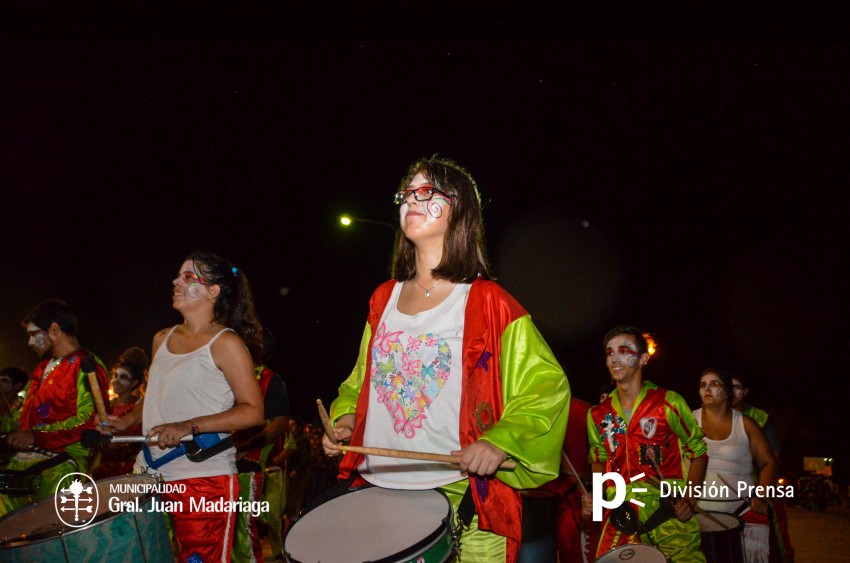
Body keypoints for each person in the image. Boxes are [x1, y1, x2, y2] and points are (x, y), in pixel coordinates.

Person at [322, 156, 571, 562]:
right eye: (406, 193)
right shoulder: (382, 298)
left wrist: (499, 440)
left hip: (463, 497)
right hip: (379, 490)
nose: (410, 201)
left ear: (460, 210)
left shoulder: (490, 303)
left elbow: (546, 388)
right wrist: (347, 418)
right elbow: (361, 381)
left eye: (426, 192)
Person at [107, 251, 264, 563]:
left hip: (203, 477)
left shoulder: (226, 343)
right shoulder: (161, 338)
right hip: (148, 470)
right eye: (179, 275)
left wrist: (189, 427)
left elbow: (253, 411)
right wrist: (125, 422)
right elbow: (156, 396)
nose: (176, 281)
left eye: (188, 277)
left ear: (213, 291)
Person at [585, 326, 707, 562]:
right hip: (621, 512)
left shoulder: (668, 403)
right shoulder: (598, 414)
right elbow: (600, 461)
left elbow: (699, 452)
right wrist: (596, 499)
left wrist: (689, 500)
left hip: (667, 512)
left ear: (642, 359)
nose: (615, 359)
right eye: (610, 353)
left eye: (623, 350)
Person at [0, 300, 109, 516]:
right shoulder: (42, 368)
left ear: (54, 329)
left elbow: (90, 421)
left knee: (47, 539)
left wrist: (36, 437)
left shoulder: (86, 364)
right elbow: (25, 420)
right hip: (24, 470)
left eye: (34, 334)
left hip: (62, 470)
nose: (30, 342)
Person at [694, 368, 776, 562]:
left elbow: (769, 462)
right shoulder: (688, 420)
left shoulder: (745, 423)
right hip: (697, 514)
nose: (707, 389)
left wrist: (761, 496)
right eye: (703, 385)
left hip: (742, 512)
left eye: (714, 384)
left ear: (728, 392)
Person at [232, 330, 290, 563]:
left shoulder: (270, 380)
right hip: (218, 464)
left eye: (251, 339)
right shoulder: (231, 375)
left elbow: (279, 424)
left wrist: (246, 447)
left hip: (248, 465)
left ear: (261, 348)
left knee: (243, 530)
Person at [731, 373, 794, 561]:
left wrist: (763, 490)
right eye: (729, 387)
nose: (732, 391)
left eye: (737, 387)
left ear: (746, 392)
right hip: (725, 489)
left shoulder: (759, 417)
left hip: (758, 487)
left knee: (773, 532)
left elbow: (774, 456)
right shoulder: (715, 416)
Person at [93, 347, 148, 479]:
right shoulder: (107, 406)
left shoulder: (139, 408)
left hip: (129, 472)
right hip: (103, 470)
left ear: (134, 382)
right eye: (115, 375)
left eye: (123, 377)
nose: (116, 380)